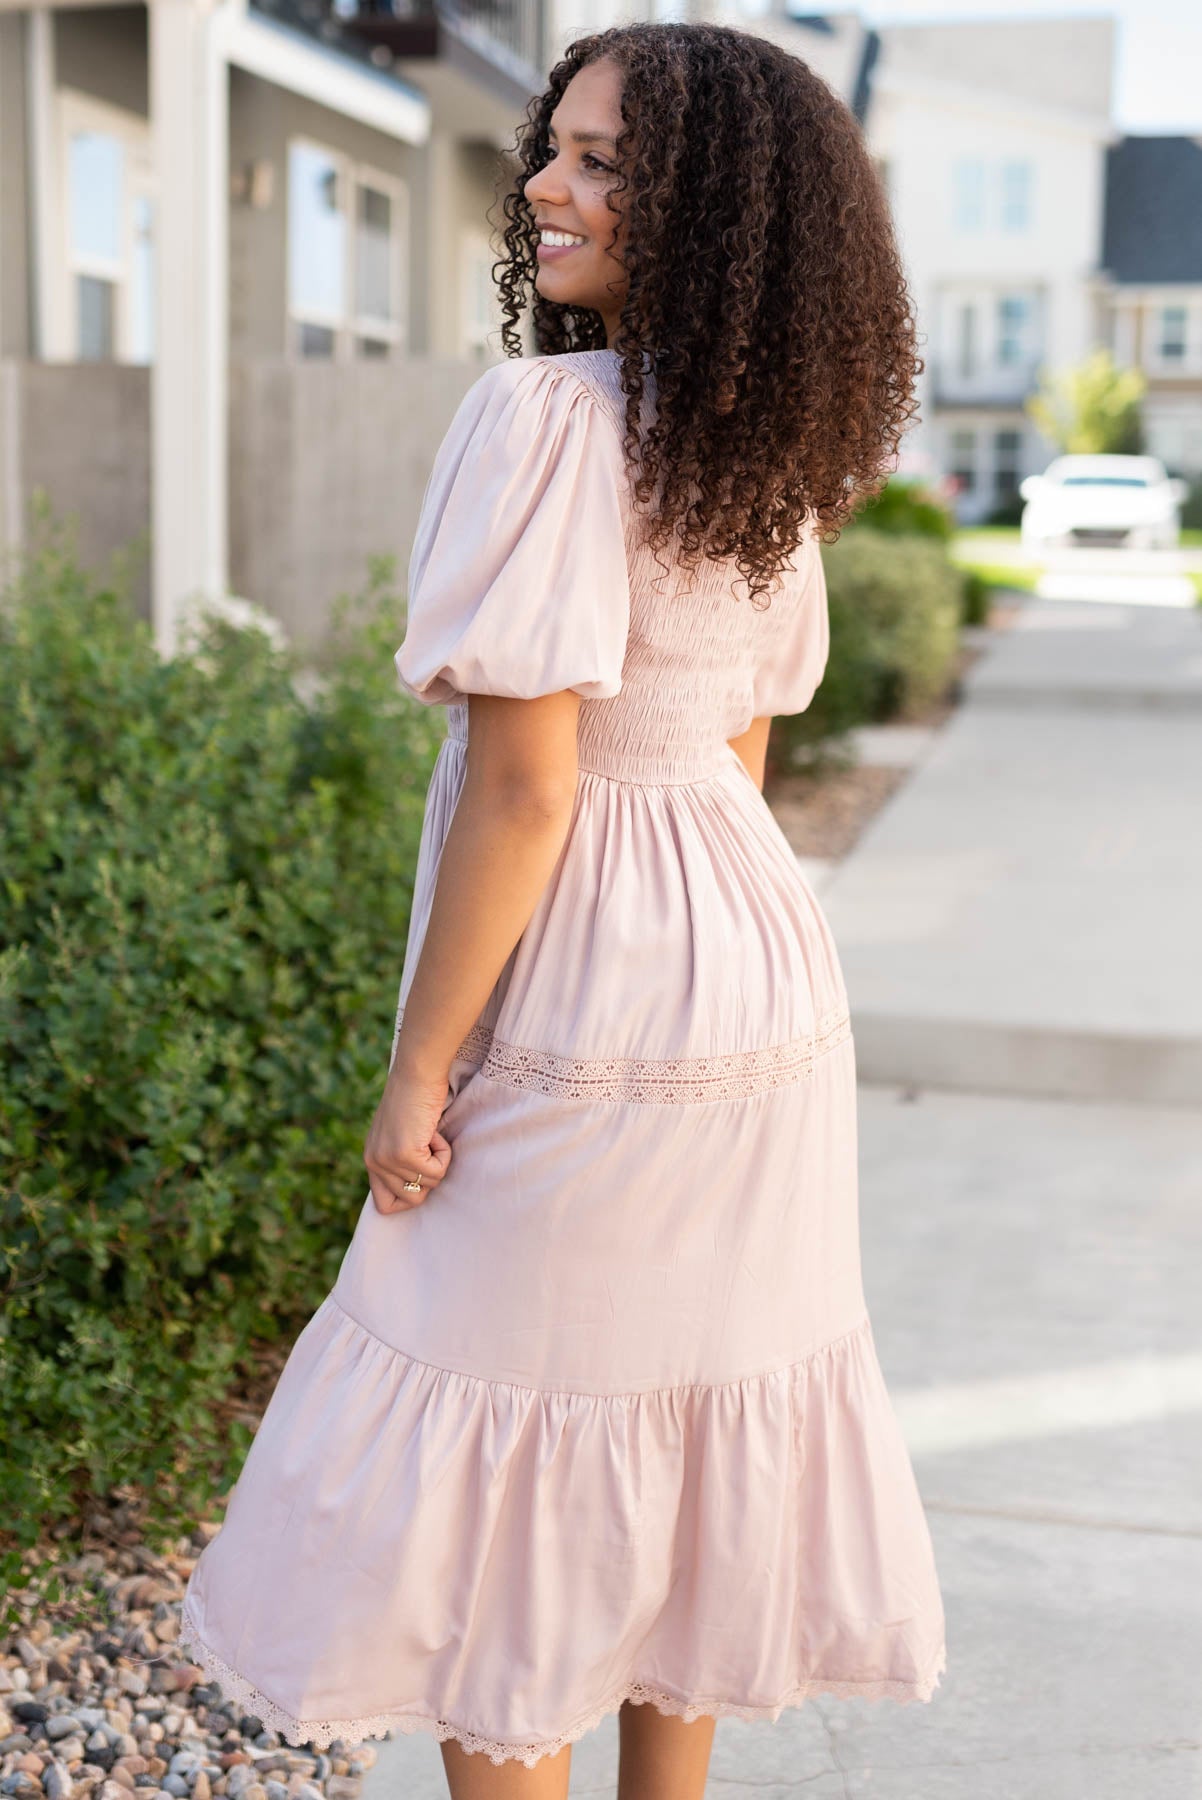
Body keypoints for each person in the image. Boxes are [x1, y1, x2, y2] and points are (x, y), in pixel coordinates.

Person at [176, 21, 947, 1800]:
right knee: (677, 1425)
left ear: (709, 216)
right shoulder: (761, 452)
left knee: (501, 1487)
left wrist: (418, 1070)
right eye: (557, 148)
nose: (542, 184)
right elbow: (739, 747)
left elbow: (530, 793)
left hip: (586, 990)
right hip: (752, 977)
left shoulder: (544, 418)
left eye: (603, 164)